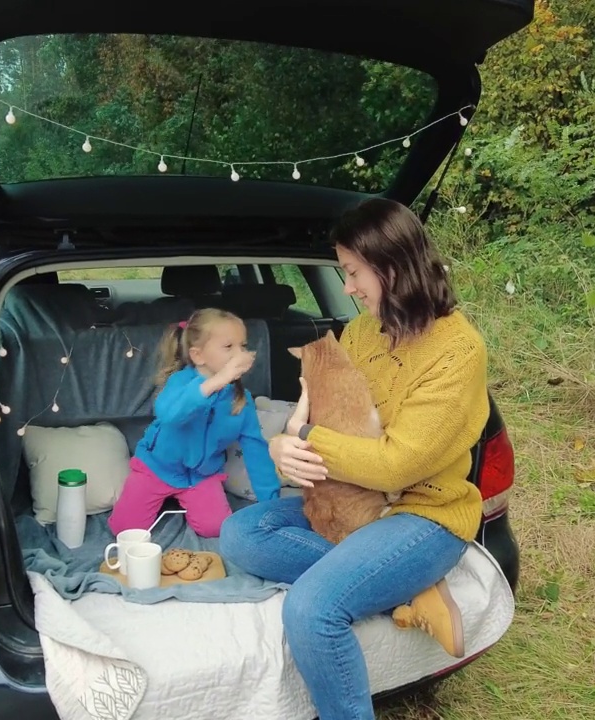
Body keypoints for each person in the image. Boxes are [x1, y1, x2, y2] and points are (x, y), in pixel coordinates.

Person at [219, 198, 492, 720]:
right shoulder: (362, 331)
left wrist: (305, 434)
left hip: (424, 514)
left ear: (391, 264)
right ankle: (406, 589)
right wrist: (282, 447)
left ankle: (398, 577)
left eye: (351, 272)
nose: (347, 288)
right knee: (239, 535)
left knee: (312, 608)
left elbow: (396, 466)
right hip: (354, 505)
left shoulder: (459, 352)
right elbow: (320, 414)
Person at [109, 308, 280, 538]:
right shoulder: (180, 382)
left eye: (243, 345)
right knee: (124, 530)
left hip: (201, 476)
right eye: (229, 347)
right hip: (157, 468)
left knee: (216, 528)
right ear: (198, 356)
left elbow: (256, 450)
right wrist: (216, 382)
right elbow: (170, 414)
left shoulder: (241, 400)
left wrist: (270, 503)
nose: (240, 354)